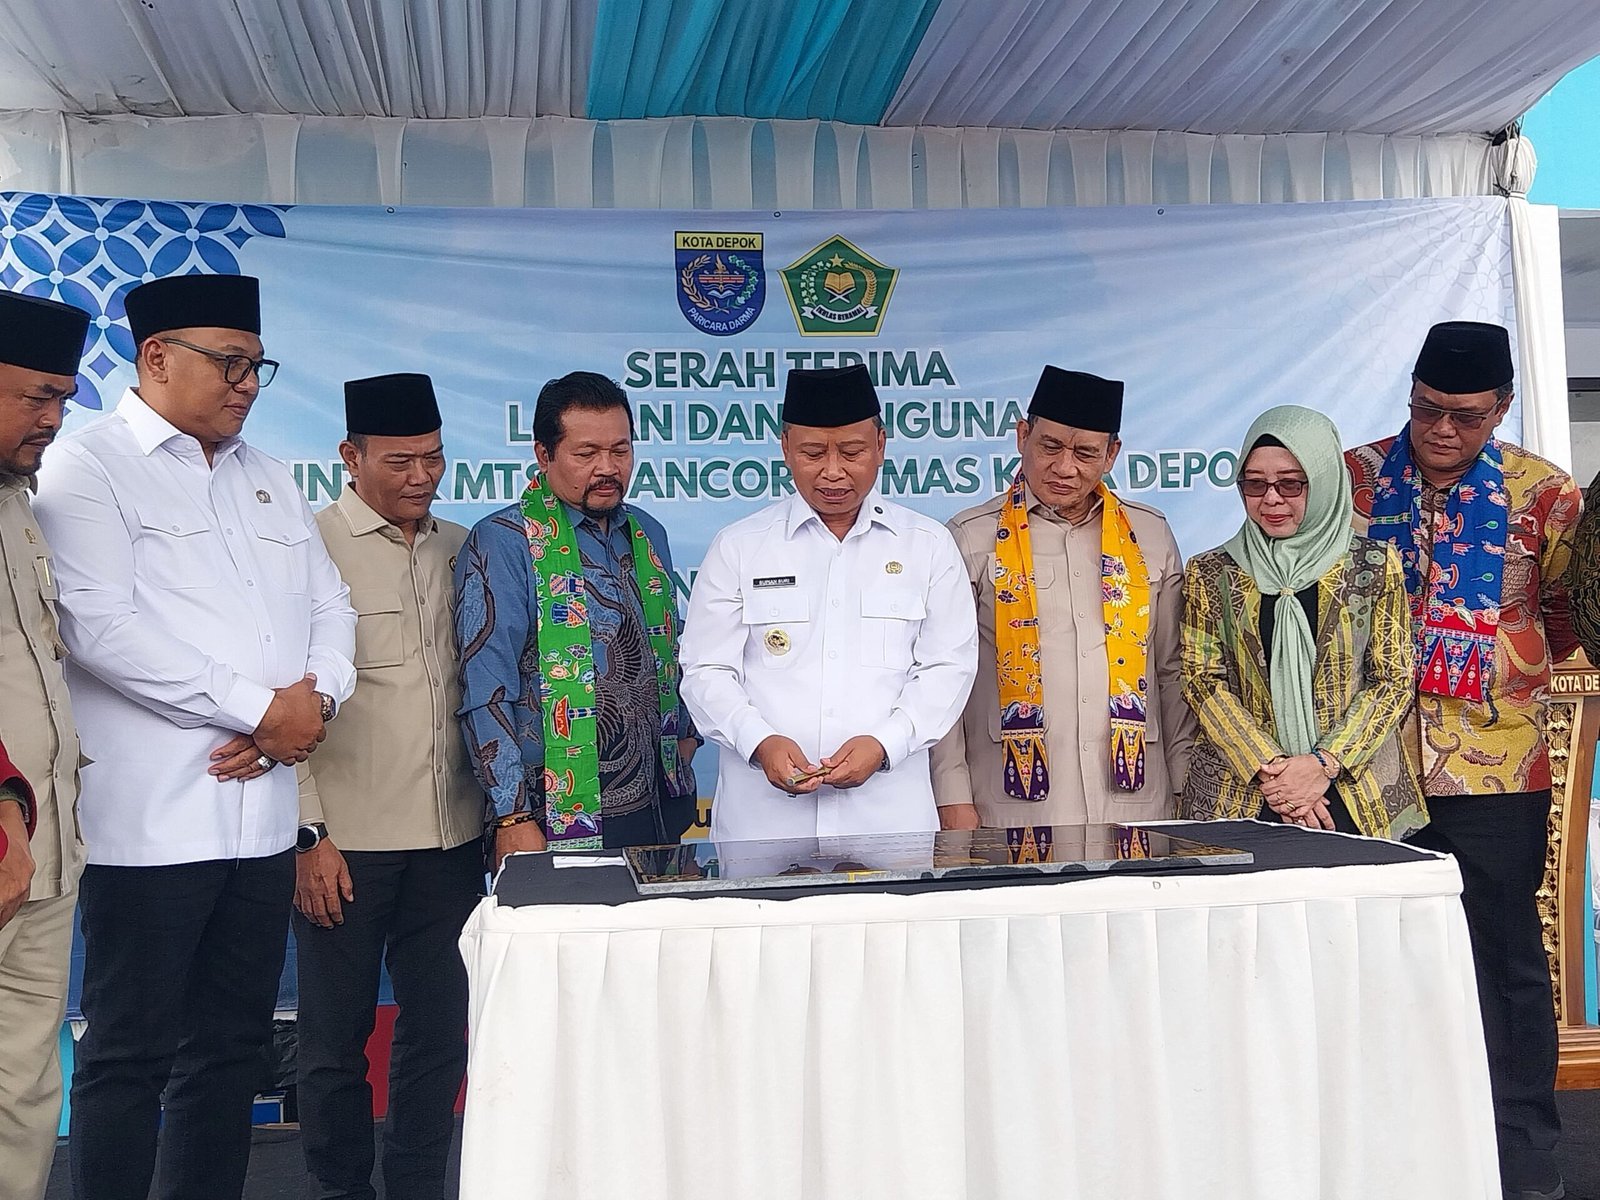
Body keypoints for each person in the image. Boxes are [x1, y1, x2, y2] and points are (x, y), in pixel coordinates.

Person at [33, 273, 357, 1200]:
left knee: (230, 1051)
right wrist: (259, 711)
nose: (248, 384)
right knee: (129, 1055)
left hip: (260, 826)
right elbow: (100, 629)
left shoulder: (269, 476)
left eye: (257, 367)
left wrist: (313, 707)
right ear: (157, 357)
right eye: (230, 364)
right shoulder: (87, 468)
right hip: (150, 827)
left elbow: (331, 609)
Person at [1347, 320, 1581, 1200]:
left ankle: (1523, 1145)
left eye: (1467, 416)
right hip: (1368, 764)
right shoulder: (1356, 478)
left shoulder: (1545, 494)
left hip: (1495, 766)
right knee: (1378, 949)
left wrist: (1496, 666)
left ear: (1503, 407)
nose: (1442, 431)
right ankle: (1395, 1137)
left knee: (1504, 953)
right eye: (1426, 410)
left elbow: (1565, 618)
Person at [293, 373, 481, 1199]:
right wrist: (308, 834)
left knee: (438, 1035)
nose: (422, 476)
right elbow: (283, 704)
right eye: (401, 461)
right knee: (334, 1043)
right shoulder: (306, 548)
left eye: (433, 458)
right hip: (347, 845)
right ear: (350, 455)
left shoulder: (464, 548)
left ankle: (416, 1186)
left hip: (452, 840)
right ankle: (340, 1189)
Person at [680, 363, 977, 840]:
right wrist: (760, 742)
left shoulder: (927, 546)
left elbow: (949, 668)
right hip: (764, 826)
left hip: (889, 823)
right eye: (813, 453)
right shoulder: (739, 547)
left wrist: (886, 744)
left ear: (880, 445)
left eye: (852, 452)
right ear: (785, 448)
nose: (833, 471)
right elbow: (705, 671)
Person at [931, 366, 1194, 828]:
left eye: (1085, 452)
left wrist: (1184, 784)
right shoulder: (970, 537)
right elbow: (946, 675)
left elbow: (1170, 670)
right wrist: (952, 796)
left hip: (1136, 800)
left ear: (1111, 455)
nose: (1065, 467)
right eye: (1050, 447)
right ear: (1022, 437)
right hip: (1009, 802)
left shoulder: (1150, 535)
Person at [455, 371, 698, 862]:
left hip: (657, 804)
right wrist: (512, 815)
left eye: (620, 450)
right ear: (544, 454)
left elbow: (671, 649)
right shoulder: (504, 542)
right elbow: (486, 686)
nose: (607, 468)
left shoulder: (648, 533)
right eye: (586, 454)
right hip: (552, 812)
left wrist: (684, 736)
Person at [1178, 405, 1425, 838]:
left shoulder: (1372, 564)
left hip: (1355, 794)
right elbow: (1202, 678)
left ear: (1324, 479)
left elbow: (1393, 677)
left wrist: (1321, 765)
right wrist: (1275, 773)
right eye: (1255, 484)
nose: (1271, 499)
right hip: (1243, 794)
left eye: (1291, 483)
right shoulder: (1212, 571)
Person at [0, 290, 90, 1200]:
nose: (53, 420)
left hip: (47, 853)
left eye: (62, 398)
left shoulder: (20, 502)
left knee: (26, 1090)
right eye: (36, 397)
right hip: (4, 840)